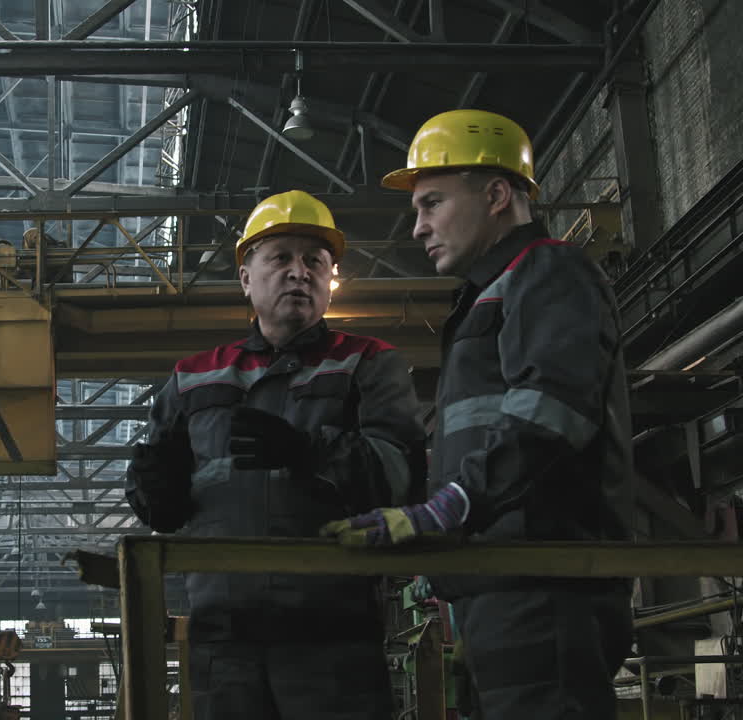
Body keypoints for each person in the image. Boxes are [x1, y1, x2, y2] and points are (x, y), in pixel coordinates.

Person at [320, 109, 635, 719]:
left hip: (545, 587)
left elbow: (553, 410)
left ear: (495, 194)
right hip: (501, 587)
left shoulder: (547, 271)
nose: (418, 228)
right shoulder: (491, 293)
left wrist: (450, 507)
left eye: (432, 203)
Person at [125, 190, 426, 720]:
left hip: (333, 633)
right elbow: (164, 503)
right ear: (246, 279)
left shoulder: (370, 364)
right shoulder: (192, 376)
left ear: (330, 279)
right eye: (280, 258)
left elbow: (400, 479)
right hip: (223, 636)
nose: (298, 272)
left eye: (315, 261)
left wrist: (311, 453)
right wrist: (152, 496)